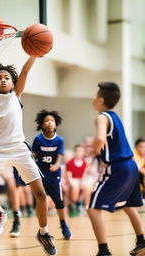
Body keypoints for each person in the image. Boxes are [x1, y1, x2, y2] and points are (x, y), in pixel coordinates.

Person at [0, 32, 57, 256]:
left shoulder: (17, 94)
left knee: (40, 195)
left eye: (7, 77)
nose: (3, 79)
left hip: (20, 149)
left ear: (13, 81)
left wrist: (35, 53)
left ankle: (44, 232)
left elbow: (25, 71)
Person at [88, 82, 145, 256]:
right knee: (130, 205)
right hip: (131, 166)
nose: (93, 98)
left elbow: (99, 139)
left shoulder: (102, 117)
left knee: (92, 208)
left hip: (118, 167)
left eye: (95, 95)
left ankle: (103, 250)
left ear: (100, 100)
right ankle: (142, 241)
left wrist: (94, 153)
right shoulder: (115, 116)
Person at [32, 109, 71, 239]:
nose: (49, 123)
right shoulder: (38, 139)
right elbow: (33, 156)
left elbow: (60, 157)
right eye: (47, 121)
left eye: (52, 121)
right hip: (40, 174)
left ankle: (64, 224)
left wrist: (57, 165)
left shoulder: (60, 140)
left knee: (58, 202)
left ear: (55, 124)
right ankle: (43, 229)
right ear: (42, 125)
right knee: (40, 201)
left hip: (54, 174)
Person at [66, 145, 87, 217]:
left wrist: (82, 182)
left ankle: (79, 202)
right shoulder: (70, 162)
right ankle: (74, 204)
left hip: (80, 180)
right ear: (74, 152)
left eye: (80, 151)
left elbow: (84, 174)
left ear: (83, 153)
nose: (78, 153)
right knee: (75, 187)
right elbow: (69, 175)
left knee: (86, 187)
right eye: (77, 151)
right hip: (73, 180)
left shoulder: (85, 163)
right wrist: (71, 182)